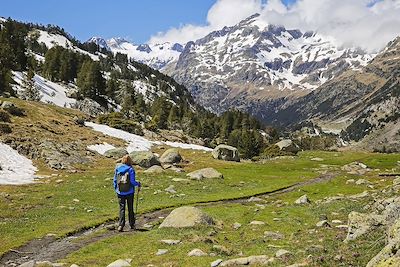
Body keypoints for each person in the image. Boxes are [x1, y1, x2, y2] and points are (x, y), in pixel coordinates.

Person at [113, 155, 141, 232]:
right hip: (129, 192)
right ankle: (132, 224)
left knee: (122, 208)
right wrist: (138, 184)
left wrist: (116, 188)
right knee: (130, 208)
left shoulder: (117, 168)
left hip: (120, 192)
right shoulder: (131, 169)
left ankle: (121, 225)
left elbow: (115, 180)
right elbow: (132, 182)